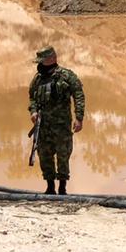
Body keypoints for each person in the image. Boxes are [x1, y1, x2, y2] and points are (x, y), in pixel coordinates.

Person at [28, 46, 85, 195]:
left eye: (42, 60)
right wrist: (33, 112)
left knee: (63, 156)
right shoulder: (38, 78)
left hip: (61, 126)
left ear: (52, 59)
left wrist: (79, 118)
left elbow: (78, 94)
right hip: (43, 126)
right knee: (45, 156)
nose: (39, 64)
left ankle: (62, 188)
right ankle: (50, 187)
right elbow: (32, 97)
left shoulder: (67, 76)